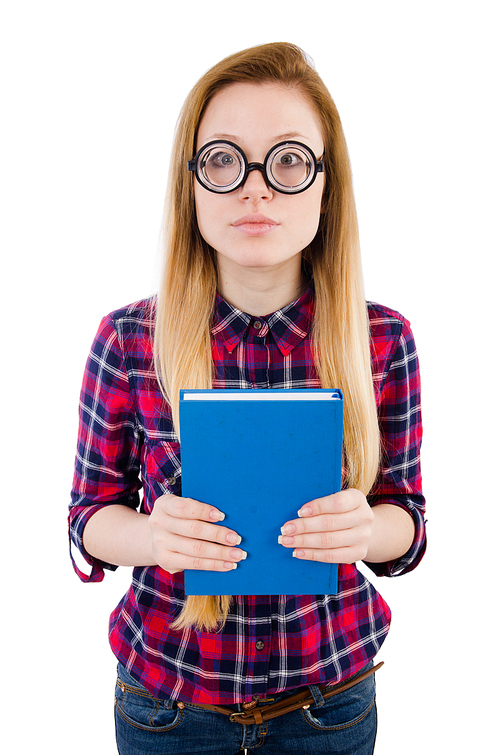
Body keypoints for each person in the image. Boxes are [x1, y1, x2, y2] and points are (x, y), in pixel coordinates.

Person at [68, 42, 426, 755]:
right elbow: (87, 519)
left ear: (325, 188)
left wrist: (367, 529)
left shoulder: (383, 339)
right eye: (224, 159)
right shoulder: (128, 338)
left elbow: (407, 522)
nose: (255, 188)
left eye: (289, 160)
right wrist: (149, 536)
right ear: (191, 184)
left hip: (329, 705)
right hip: (166, 708)